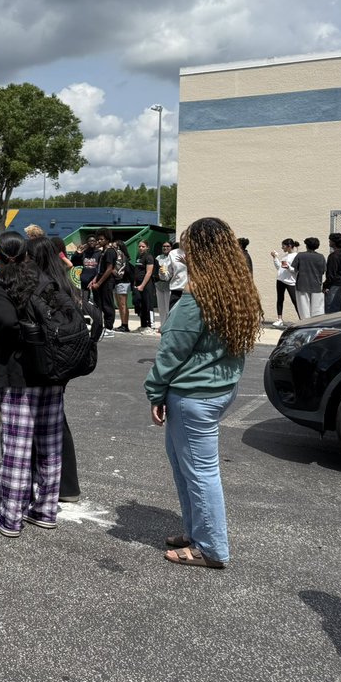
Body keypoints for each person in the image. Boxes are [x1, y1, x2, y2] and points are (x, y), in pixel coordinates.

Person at [146, 217, 261, 569]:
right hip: (217, 390)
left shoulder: (197, 298)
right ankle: (198, 533)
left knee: (199, 472)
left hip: (194, 396)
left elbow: (171, 352)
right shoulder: (233, 289)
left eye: (187, 247)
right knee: (187, 467)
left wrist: (155, 392)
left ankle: (210, 548)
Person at [0, 234, 83, 535]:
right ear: (27, 253)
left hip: (17, 373)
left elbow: (1, 323)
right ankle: (45, 510)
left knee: (17, 446)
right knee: (50, 444)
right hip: (52, 371)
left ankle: (11, 516)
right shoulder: (44, 280)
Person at [291, 238, 326, 319]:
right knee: (317, 310)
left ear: (306, 246)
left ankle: (305, 326)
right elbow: (323, 271)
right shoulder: (321, 257)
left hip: (302, 284)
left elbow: (294, 269)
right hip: (316, 285)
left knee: (304, 309)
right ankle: (317, 325)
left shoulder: (300, 255)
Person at [90, 228, 117, 330]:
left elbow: (109, 269)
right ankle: (101, 325)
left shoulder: (110, 251)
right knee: (99, 304)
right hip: (100, 281)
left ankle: (109, 327)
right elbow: (101, 269)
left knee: (107, 305)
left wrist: (99, 283)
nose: (99, 241)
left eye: (101, 239)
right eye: (98, 239)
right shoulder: (103, 252)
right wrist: (95, 279)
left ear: (107, 239)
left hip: (107, 282)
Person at [270, 239, 299, 327]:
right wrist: (275, 258)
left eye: (283, 246)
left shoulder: (296, 256)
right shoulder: (285, 255)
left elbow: (296, 270)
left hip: (290, 281)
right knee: (280, 299)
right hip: (280, 279)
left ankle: (302, 319)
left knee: (295, 300)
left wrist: (289, 267)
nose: (282, 247)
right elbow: (279, 267)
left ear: (289, 246)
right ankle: (279, 319)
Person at [324, 233, 341, 314]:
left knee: (332, 307)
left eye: (330, 241)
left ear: (334, 242)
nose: (329, 242)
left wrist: (326, 285)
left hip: (336, 284)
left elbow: (331, 273)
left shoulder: (334, 256)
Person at [133, 240, 156, 332]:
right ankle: (143, 325)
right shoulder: (139, 257)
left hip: (146, 284)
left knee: (148, 305)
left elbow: (149, 272)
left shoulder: (149, 257)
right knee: (140, 304)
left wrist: (142, 285)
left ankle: (151, 326)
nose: (141, 248)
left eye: (143, 246)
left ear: (147, 247)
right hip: (138, 284)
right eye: (139, 246)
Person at [112, 237, 132, 332]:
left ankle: (125, 325)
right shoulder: (117, 257)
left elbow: (124, 271)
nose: (113, 248)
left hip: (123, 282)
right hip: (117, 282)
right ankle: (123, 324)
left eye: (115, 247)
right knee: (119, 305)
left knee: (123, 304)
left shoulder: (122, 257)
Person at [154, 241, 175, 328]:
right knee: (161, 308)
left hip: (169, 285)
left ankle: (169, 326)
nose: (165, 248)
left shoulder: (173, 257)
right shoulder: (159, 257)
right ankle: (162, 325)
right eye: (164, 246)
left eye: (168, 246)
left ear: (171, 247)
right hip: (159, 285)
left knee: (168, 308)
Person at [168, 241, 189, 312]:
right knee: (172, 315)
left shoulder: (197, 252)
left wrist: (187, 263)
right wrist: (162, 273)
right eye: (182, 239)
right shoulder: (173, 253)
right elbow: (168, 274)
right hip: (176, 290)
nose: (184, 242)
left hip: (190, 292)